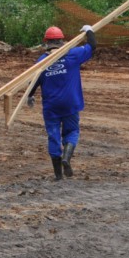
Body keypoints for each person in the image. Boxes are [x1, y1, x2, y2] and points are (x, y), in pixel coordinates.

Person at [27, 25, 95, 181]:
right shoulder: (73, 54)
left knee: (53, 136)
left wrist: (30, 96)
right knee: (72, 132)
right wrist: (89, 31)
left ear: (46, 42)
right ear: (62, 41)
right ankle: (66, 156)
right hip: (70, 103)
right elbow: (93, 46)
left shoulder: (42, 61)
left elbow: (33, 81)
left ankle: (58, 175)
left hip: (51, 107)